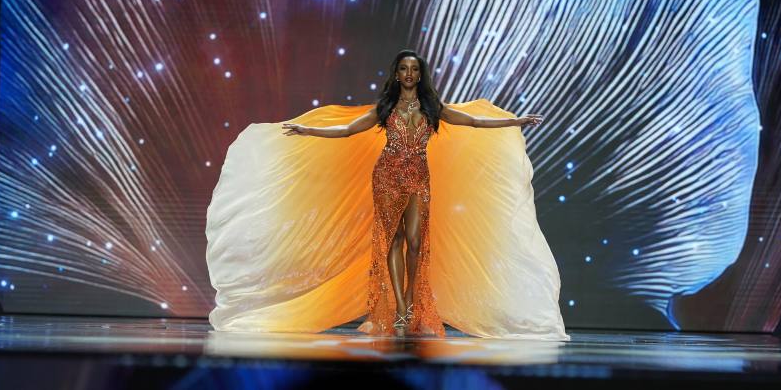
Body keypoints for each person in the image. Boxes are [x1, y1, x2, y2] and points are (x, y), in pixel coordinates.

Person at [205, 50, 570, 340]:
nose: (409, 74)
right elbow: (348, 130)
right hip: (387, 176)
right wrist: (307, 130)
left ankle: (410, 301)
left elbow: (473, 122)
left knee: (416, 240)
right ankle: (400, 308)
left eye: (414, 69)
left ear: (419, 74)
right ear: (397, 74)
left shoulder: (432, 109)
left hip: (418, 177)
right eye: (404, 69)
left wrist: (514, 121)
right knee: (393, 239)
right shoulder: (386, 109)